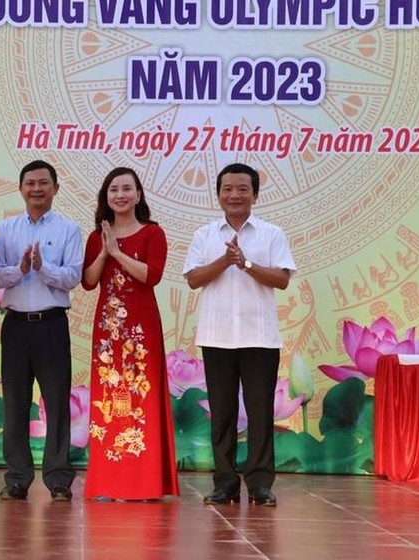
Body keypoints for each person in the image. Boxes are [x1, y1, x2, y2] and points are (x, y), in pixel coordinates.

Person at [182, 163, 296, 507]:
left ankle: (260, 484)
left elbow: (281, 279)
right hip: (217, 336)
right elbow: (194, 279)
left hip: (259, 337)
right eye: (227, 189)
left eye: (242, 189)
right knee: (223, 412)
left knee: (260, 413)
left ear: (255, 195)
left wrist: (245, 263)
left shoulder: (271, 233)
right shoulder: (205, 234)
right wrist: (226, 260)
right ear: (218, 195)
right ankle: (225, 483)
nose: (235, 195)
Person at [0, 160, 83, 502]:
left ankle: (58, 478)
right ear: (21, 188)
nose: (37, 189)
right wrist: (20, 269)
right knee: (15, 403)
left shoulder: (69, 230)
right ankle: (17, 478)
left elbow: (73, 277)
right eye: (30, 183)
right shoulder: (5, 229)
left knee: (57, 403)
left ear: (56, 188)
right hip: (15, 326)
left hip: (52, 324)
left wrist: (43, 269)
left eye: (44, 183)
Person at [81, 167, 180, 500]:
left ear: (138, 195)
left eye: (126, 189)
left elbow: (150, 277)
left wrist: (119, 253)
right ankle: (110, 481)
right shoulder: (97, 236)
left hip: (141, 331)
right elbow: (89, 281)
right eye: (113, 190)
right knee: (110, 399)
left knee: (143, 397)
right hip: (109, 332)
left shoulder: (153, 233)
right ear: (105, 197)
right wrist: (105, 252)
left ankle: (145, 482)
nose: (120, 195)